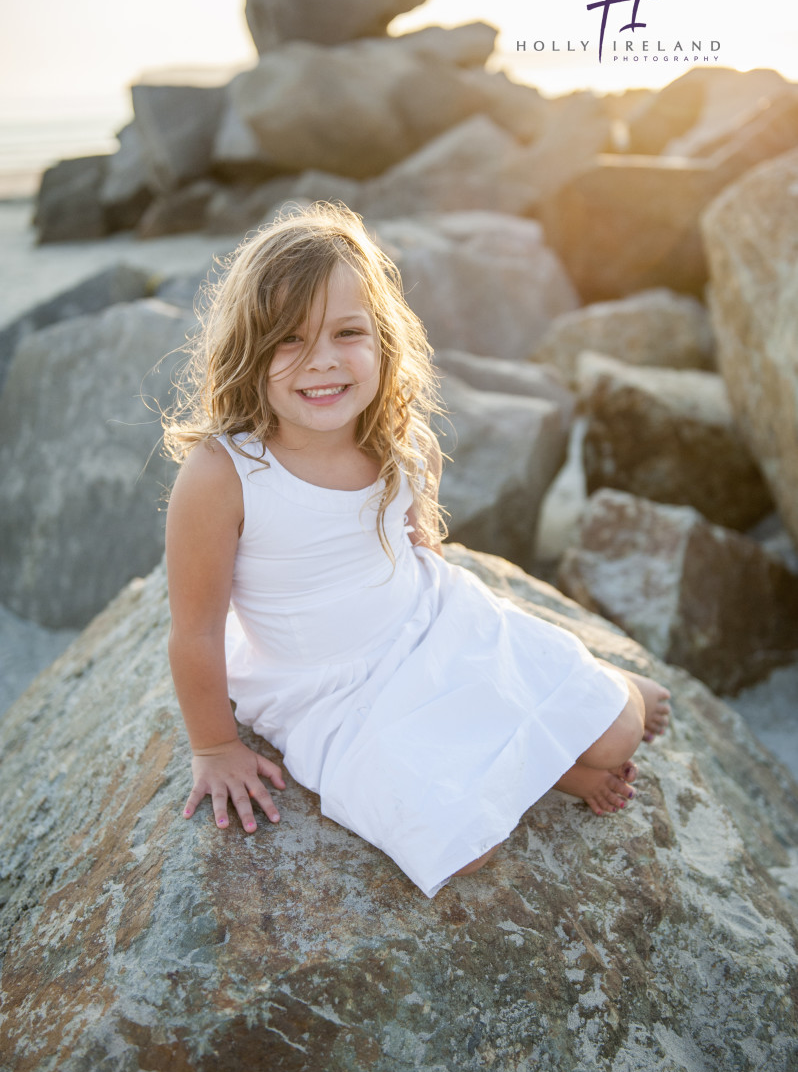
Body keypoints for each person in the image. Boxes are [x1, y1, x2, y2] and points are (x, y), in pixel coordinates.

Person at [163, 202, 670, 898]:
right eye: (290, 340)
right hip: (330, 695)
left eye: (348, 332)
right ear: (249, 351)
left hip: (429, 624)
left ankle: (585, 694)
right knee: (461, 849)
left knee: (622, 732)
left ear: (383, 341)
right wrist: (215, 745)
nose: (324, 362)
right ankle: (561, 764)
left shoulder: (400, 446)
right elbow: (193, 630)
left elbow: (423, 547)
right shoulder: (224, 476)